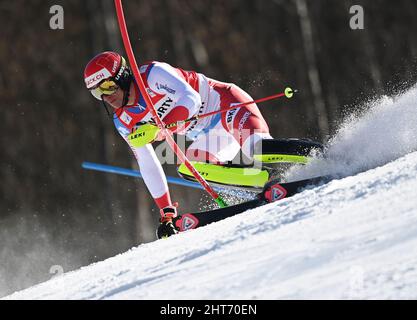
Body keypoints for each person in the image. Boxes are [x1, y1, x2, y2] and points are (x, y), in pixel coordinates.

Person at [84, 51, 273, 239]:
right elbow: (147, 162)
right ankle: (265, 181)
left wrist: (162, 127)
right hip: (212, 136)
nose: (105, 96)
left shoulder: (152, 75)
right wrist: (166, 210)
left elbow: (191, 98)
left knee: (259, 149)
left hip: (227, 105)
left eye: (107, 86)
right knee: (191, 168)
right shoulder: (124, 122)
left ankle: (286, 163)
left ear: (122, 77)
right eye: (96, 92)